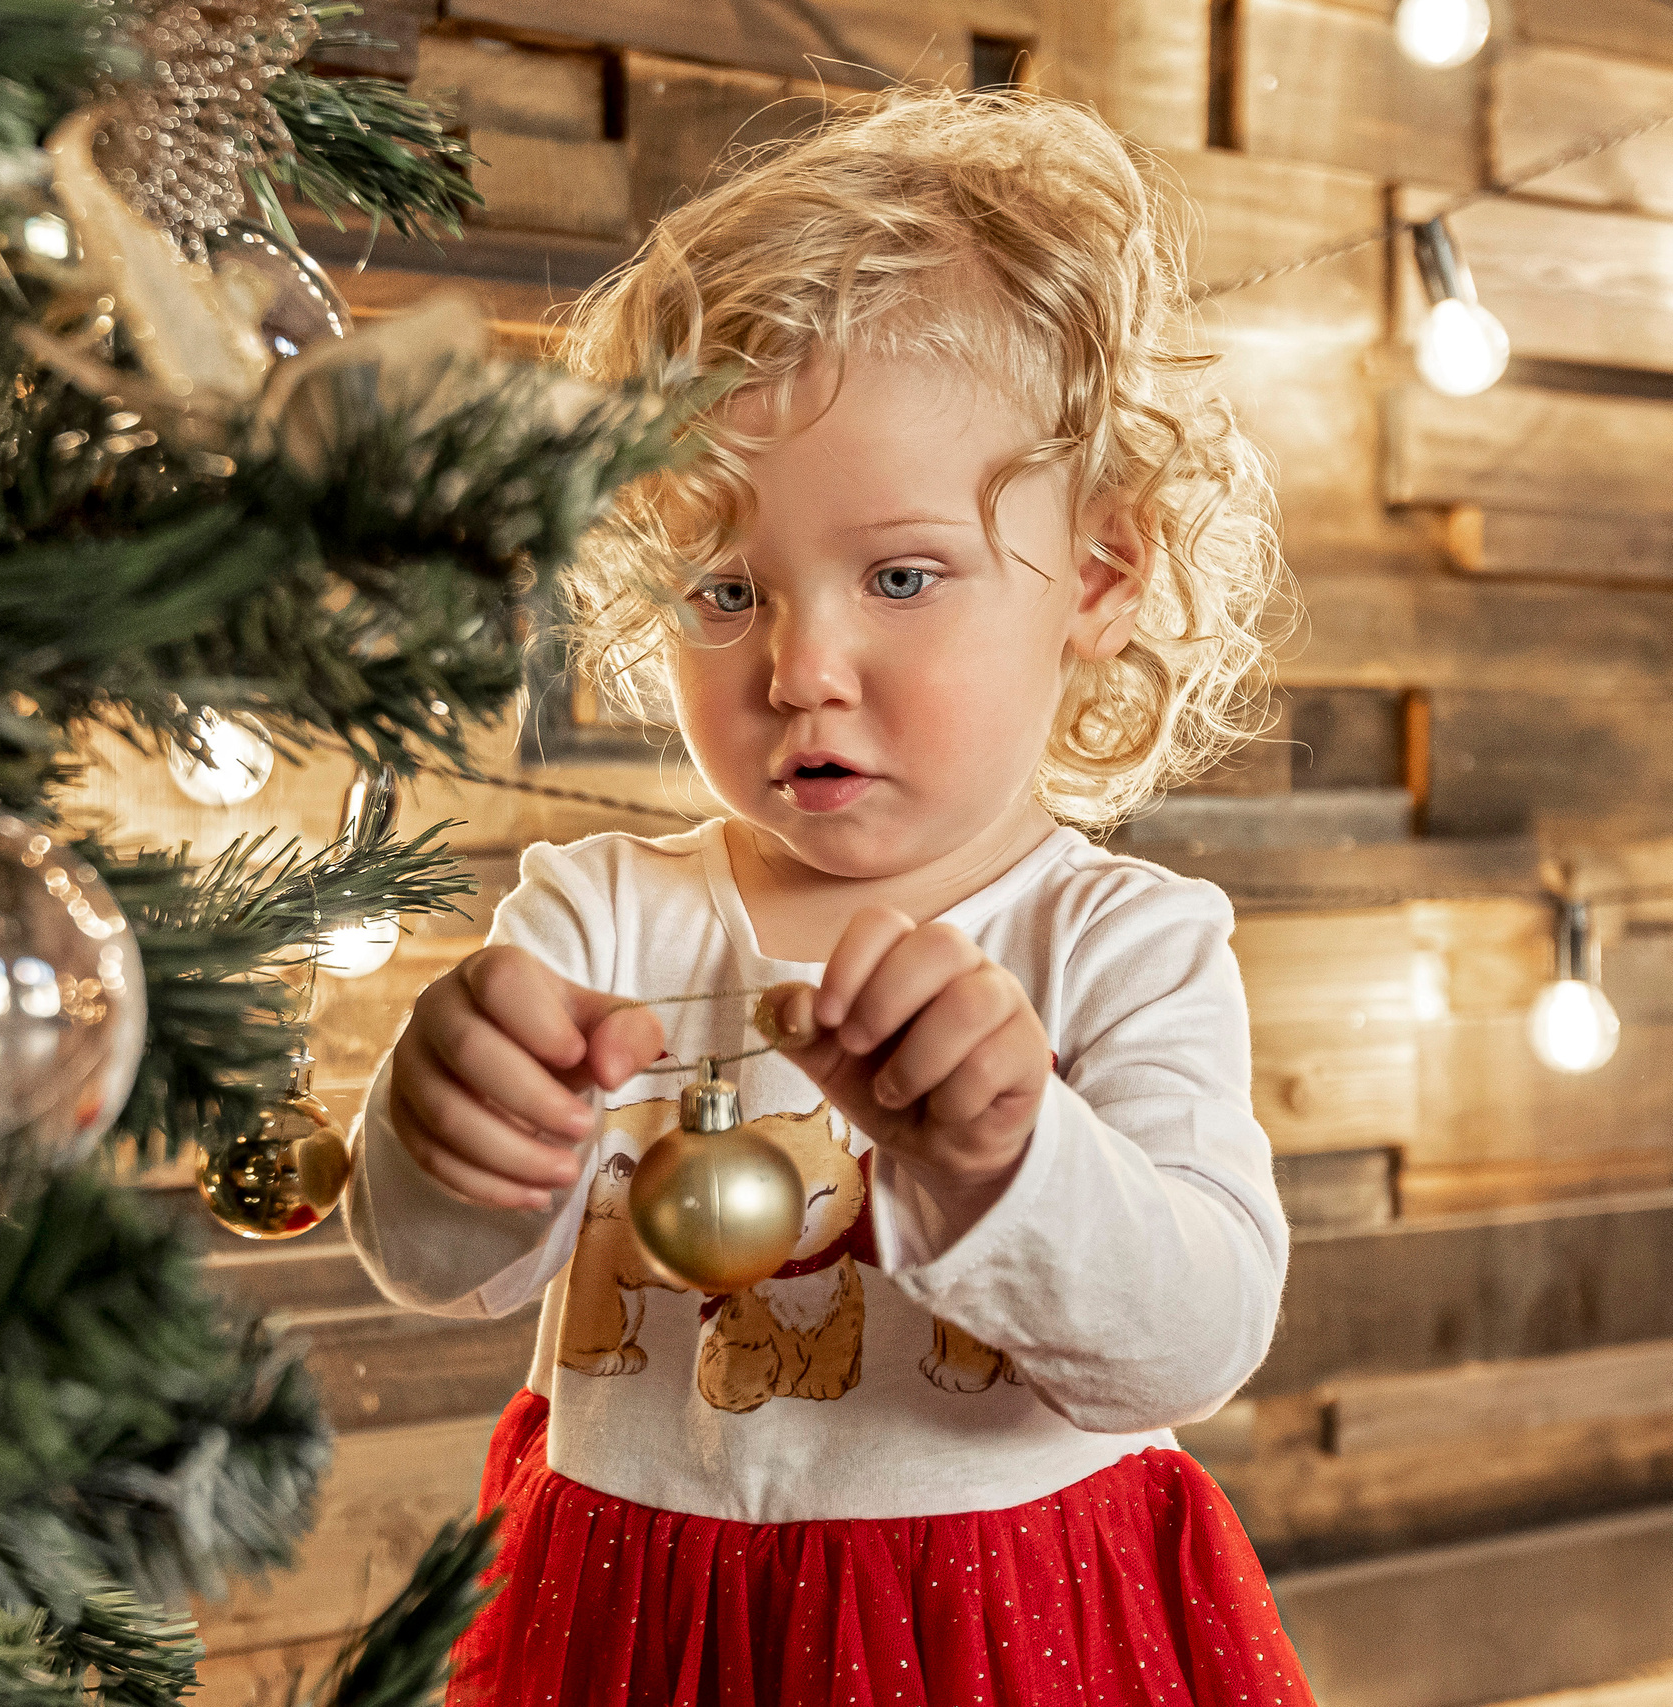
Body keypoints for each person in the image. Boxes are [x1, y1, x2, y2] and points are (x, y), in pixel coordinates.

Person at [346, 86, 1315, 1707]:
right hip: (628, 1616)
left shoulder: (1121, 947)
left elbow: (1195, 1339)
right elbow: (432, 1258)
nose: (800, 669)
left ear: (1096, 576)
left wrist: (1015, 1157)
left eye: (902, 576)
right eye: (725, 591)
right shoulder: (590, 920)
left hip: (1012, 1629)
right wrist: (443, 1123)